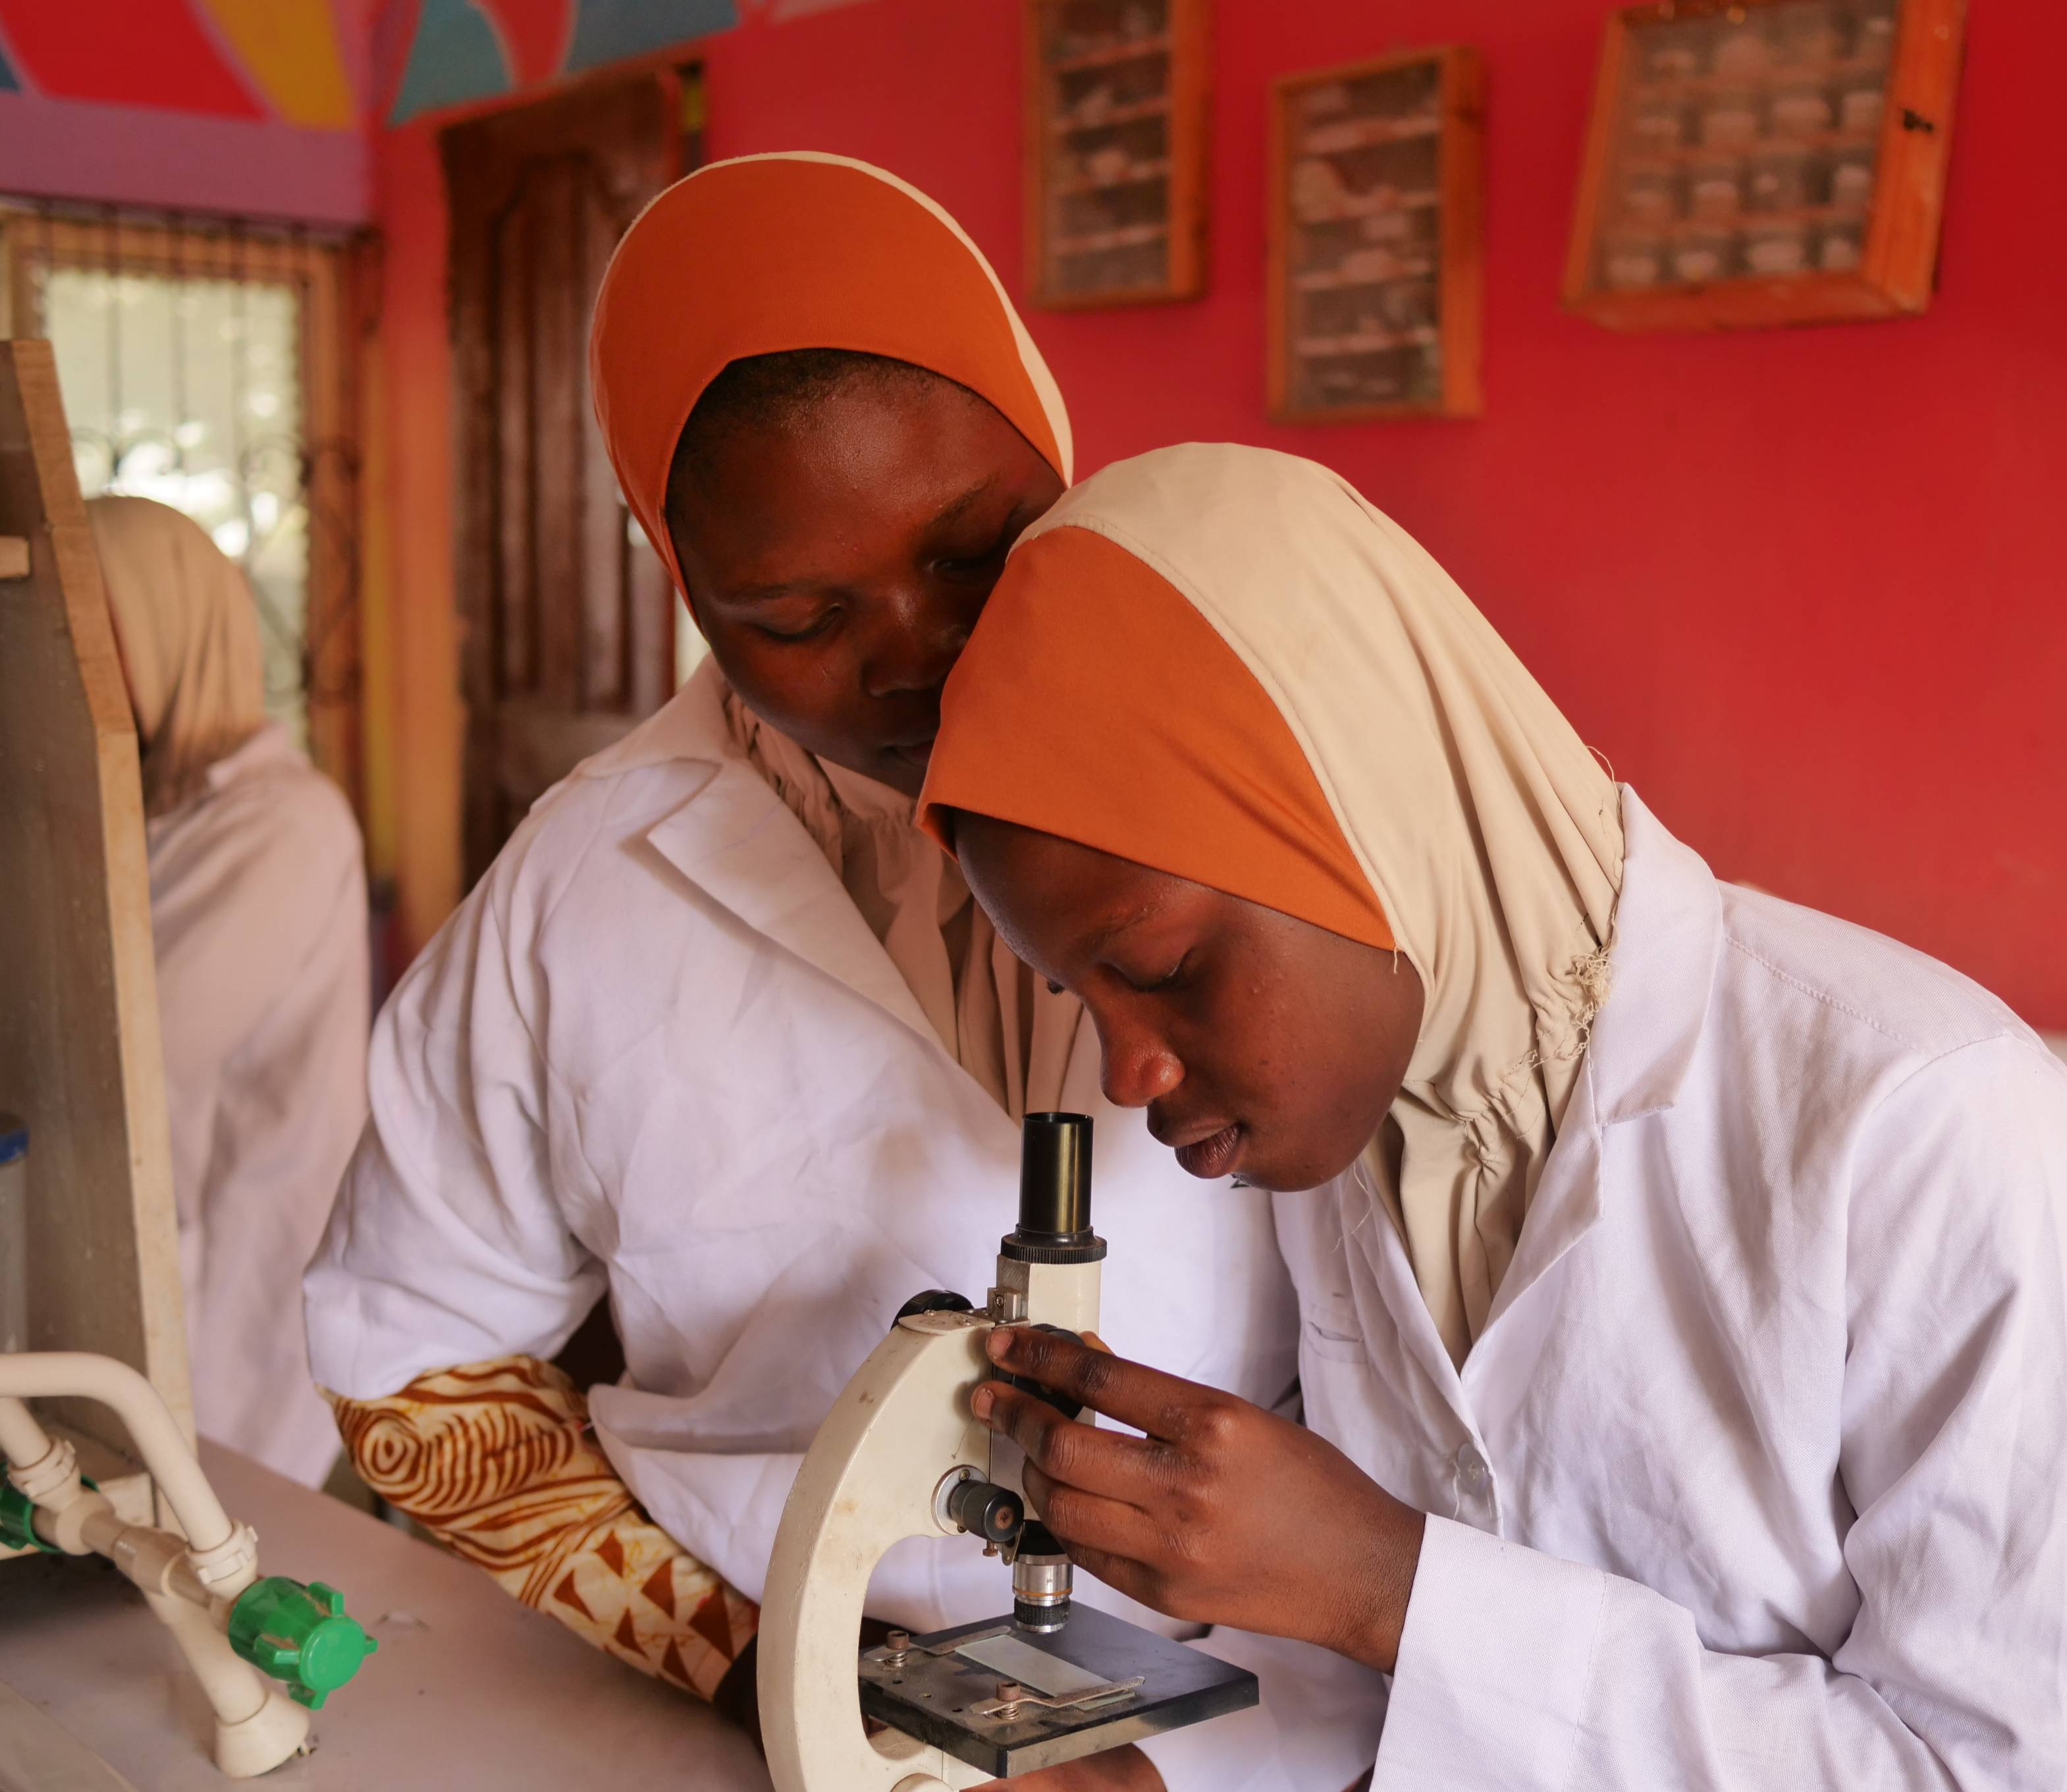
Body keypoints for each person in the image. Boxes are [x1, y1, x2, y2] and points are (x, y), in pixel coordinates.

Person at [918, 442, 2067, 1792]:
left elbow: (2006, 1775)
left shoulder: (1927, 1120)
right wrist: (1159, 1773)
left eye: (1159, 969)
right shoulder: (1356, 1136)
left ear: (1364, 820)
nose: (1124, 1068)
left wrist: (1390, 1581)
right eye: (1076, 995)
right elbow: (1396, 1692)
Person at [302, 157, 1381, 1789]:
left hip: (1277, 1724)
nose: (910, 652)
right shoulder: (581, 890)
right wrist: (788, 1669)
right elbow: (414, 1374)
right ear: (678, 581)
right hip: (766, 1729)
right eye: (796, 611)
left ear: (1054, 449)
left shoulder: (1311, 793)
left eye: (967, 551)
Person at [90, 494, 368, 1487]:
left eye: (91, 633)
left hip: (241, 1307)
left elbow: (122, 1051)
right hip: (158, 1295)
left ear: (174, 628)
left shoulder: (281, 826)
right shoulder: (150, 813)